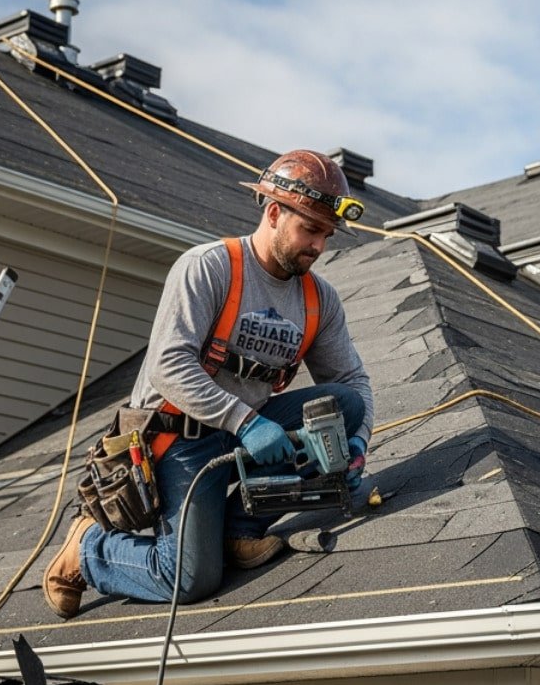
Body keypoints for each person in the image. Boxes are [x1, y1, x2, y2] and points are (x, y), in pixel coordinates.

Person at [42, 150, 374, 618]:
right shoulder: (209, 267)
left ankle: (242, 528)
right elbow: (168, 365)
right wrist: (245, 422)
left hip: (247, 436)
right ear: (274, 213)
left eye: (326, 234)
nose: (319, 246)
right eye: (310, 230)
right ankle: (89, 549)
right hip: (179, 438)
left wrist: (358, 443)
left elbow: (352, 380)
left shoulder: (320, 299)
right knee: (190, 576)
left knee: (343, 405)